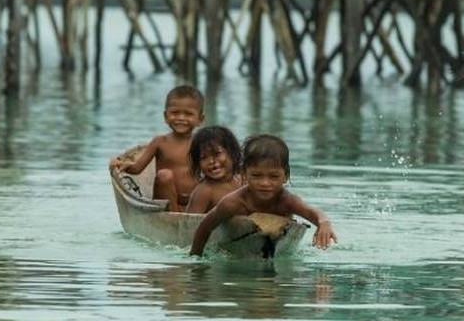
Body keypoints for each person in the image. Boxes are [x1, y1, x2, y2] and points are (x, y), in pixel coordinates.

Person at [190, 134, 338, 256]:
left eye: (274, 176)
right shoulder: (233, 203)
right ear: (244, 174)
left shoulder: (287, 201)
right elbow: (205, 226)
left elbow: (311, 212)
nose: (265, 183)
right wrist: (195, 257)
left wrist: (324, 223)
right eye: (256, 175)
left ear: (286, 176)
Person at [110, 85, 204, 211]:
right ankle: (174, 215)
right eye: (175, 113)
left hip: (194, 202)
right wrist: (122, 165)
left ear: (200, 119)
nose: (181, 118)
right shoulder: (160, 142)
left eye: (188, 114)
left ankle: (196, 213)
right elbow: (137, 168)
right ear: (166, 116)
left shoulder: (202, 143)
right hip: (165, 202)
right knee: (164, 175)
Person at [186, 126, 243, 214]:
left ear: (232, 152)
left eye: (217, 154)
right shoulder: (205, 191)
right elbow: (189, 220)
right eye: (204, 157)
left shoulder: (242, 180)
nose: (211, 161)